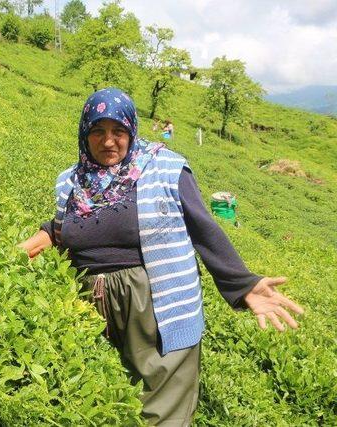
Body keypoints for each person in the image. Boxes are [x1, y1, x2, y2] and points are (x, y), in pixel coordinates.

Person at [18, 88, 303, 426]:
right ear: (84, 133)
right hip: (92, 308)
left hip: (157, 304)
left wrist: (243, 285)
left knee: (161, 411)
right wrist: (14, 254)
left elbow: (204, 228)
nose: (108, 141)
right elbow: (61, 228)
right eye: (97, 130)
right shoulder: (71, 181)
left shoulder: (165, 167)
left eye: (118, 131)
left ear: (132, 131)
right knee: (108, 404)